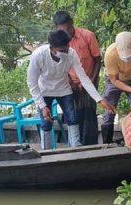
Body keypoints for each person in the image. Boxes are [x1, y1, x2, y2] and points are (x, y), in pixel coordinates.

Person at [27, 30, 115, 149]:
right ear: (52, 48)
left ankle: (76, 148)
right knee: (46, 123)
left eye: (68, 47)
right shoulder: (38, 55)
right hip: (44, 91)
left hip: (64, 90)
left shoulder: (71, 53)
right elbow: (32, 83)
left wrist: (99, 100)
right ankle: (45, 151)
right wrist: (42, 106)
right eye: (63, 50)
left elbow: (83, 78)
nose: (67, 51)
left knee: (73, 119)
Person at [53, 11, 102, 145]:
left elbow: (98, 59)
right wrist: (70, 81)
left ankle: (91, 146)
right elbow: (60, 65)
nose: (67, 32)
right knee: (74, 114)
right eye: (63, 30)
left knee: (89, 113)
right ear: (57, 29)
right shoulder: (58, 41)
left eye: (69, 27)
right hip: (70, 82)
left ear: (72, 23)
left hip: (89, 79)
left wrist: (91, 80)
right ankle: (75, 145)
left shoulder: (88, 36)